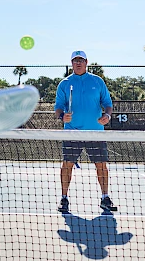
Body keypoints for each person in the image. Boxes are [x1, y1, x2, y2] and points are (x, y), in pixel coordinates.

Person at [54, 51, 116, 213]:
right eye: (75, 60)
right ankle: (64, 198)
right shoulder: (65, 84)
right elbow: (58, 107)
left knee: (101, 166)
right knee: (67, 165)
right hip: (72, 133)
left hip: (95, 132)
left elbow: (108, 103)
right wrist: (62, 116)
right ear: (71, 63)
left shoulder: (97, 81)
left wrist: (107, 115)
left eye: (81, 60)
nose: (78, 63)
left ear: (87, 62)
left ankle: (105, 198)